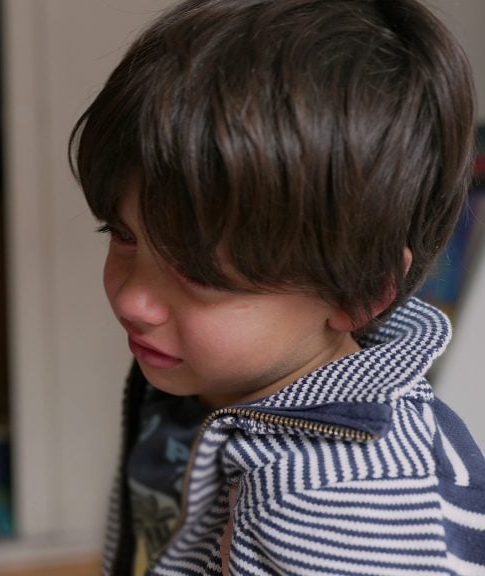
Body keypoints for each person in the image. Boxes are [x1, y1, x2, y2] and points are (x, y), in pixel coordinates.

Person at [69, 0, 484, 574]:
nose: (131, 300)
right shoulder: (213, 374)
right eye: (122, 235)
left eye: (197, 275)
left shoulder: (337, 508)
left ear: (359, 292)